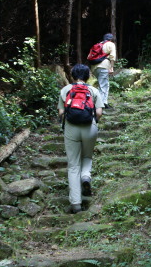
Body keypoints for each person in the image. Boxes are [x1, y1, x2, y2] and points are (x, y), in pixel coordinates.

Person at [57, 64, 104, 213]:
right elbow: (99, 112)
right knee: (87, 157)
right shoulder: (93, 90)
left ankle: (76, 204)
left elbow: (61, 112)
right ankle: (85, 176)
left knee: (73, 165)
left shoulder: (65, 90)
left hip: (71, 128)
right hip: (89, 127)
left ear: (72, 75)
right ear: (88, 75)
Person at [91, 33, 116, 109]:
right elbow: (112, 56)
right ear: (111, 39)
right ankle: (100, 105)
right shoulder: (110, 44)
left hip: (94, 67)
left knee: (104, 84)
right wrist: (111, 67)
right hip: (104, 66)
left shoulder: (98, 44)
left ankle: (103, 102)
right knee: (103, 85)